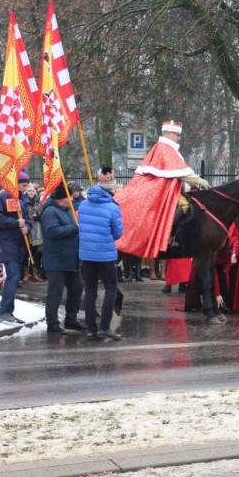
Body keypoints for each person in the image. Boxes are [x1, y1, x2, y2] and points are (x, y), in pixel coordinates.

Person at [116, 121, 210, 260]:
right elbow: (179, 171)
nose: (179, 138)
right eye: (177, 135)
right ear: (169, 133)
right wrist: (199, 180)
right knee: (184, 205)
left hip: (166, 189)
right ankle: (169, 236)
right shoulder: (164, 148)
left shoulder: (167, 148)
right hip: (161, 190)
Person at [78, 172, 124, 340]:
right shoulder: (113, 207)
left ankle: (91, 329)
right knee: (110, 289)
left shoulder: (83, 205)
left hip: (86, 254)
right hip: (105, 255)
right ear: (111, 189)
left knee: (90, 291)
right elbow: (118, 233)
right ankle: (104, 327)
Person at [40, 182, 84, 334]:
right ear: (60, 198)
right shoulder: (50, 212)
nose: (71, 199)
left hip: (72, 259)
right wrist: (75, 228)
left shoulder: (67, 210)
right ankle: (52, 323)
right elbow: (53, 231)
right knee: (55, 293)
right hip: (57, 259)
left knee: (77, 289)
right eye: (68, 196)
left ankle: (71, 319)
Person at [0, 171, 33, 325]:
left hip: (18, 243)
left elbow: (27, 219)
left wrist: (27, 226)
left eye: (27, 185)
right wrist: (16, 223)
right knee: (13, 276)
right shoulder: (3, 197)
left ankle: (8, 310)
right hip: (6, 242)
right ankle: (4, 311)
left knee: (15, 277)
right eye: (23, 184)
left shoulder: (22, 200)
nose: (26, 187)